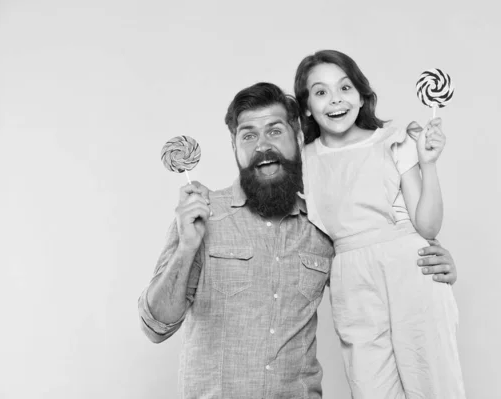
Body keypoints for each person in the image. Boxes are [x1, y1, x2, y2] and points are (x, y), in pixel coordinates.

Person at [138, 82, 459, 398]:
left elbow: (375, 280)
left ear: (297, 137)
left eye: (275, 131)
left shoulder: (326, 223)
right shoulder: (202, 217)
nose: (262, 145)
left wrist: (425, 261)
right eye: (248, 135)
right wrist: (186, 248)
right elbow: (156, 326)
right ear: (234, 146)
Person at [293, 50, 466, 398]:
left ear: (360, 95)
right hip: (350, 281)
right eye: (321, 91)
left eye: (345, 87)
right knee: (371, 387)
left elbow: (428, 226)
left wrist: (428, 163)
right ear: (307, 106)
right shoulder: (303, 162)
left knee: (432, 378)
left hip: (411, 267)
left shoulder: (393, 141)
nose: (336, 99)